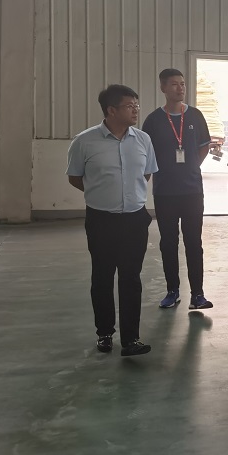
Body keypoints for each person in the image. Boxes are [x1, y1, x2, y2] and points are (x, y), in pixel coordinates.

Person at [66, 84, 159, 357]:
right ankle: (104, 333)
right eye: (130, 106)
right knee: (102, 276)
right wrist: (102, 193)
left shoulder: (143, 140)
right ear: (111, 110)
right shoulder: (84, 141)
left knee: (131, 278)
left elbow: (146, 174)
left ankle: (131, 339)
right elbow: (75, 177)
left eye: (137, 105)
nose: (136, 110)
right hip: (101, 220)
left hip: (135, 220)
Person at [141, 68, 219, 312]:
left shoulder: (195, 115)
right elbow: (147, 154)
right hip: (164, 192)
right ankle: (172, 291)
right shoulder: (153, 120)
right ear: (163, 88)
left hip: (192, 191)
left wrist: (193, 166)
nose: (180, 88)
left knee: (194, 242)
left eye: (183, 84)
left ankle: (198, 294)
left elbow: (204, 146)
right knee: (168, 243)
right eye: (174, 84)